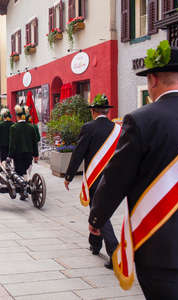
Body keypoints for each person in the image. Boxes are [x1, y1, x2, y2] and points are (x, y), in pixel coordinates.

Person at [88, 43, 178, 299]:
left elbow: (117, 178)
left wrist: (97, 219)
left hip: (157, 237)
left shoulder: (140, 120)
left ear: (151, 80)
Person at [63, 94, 120, 269]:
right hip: (114, 178)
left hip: (96, 179)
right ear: (107, 112)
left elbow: (78, 153)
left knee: (100, 214)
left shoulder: (89, 128)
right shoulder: (116, 129)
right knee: (98, 211)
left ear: (93, 111)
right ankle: (95, 244)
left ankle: (115, 252)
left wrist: (69, 176)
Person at [8, 105, 40, 200]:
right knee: (26, 170)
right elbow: (35, 142)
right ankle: (26, 188)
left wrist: (10, 155)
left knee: (19, 173)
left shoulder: (14, 127)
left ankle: (23, 190)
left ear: (17, 116)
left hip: (18, 154)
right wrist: (36, 155)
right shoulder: (31, 127)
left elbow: (12, 143)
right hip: (28, 153)